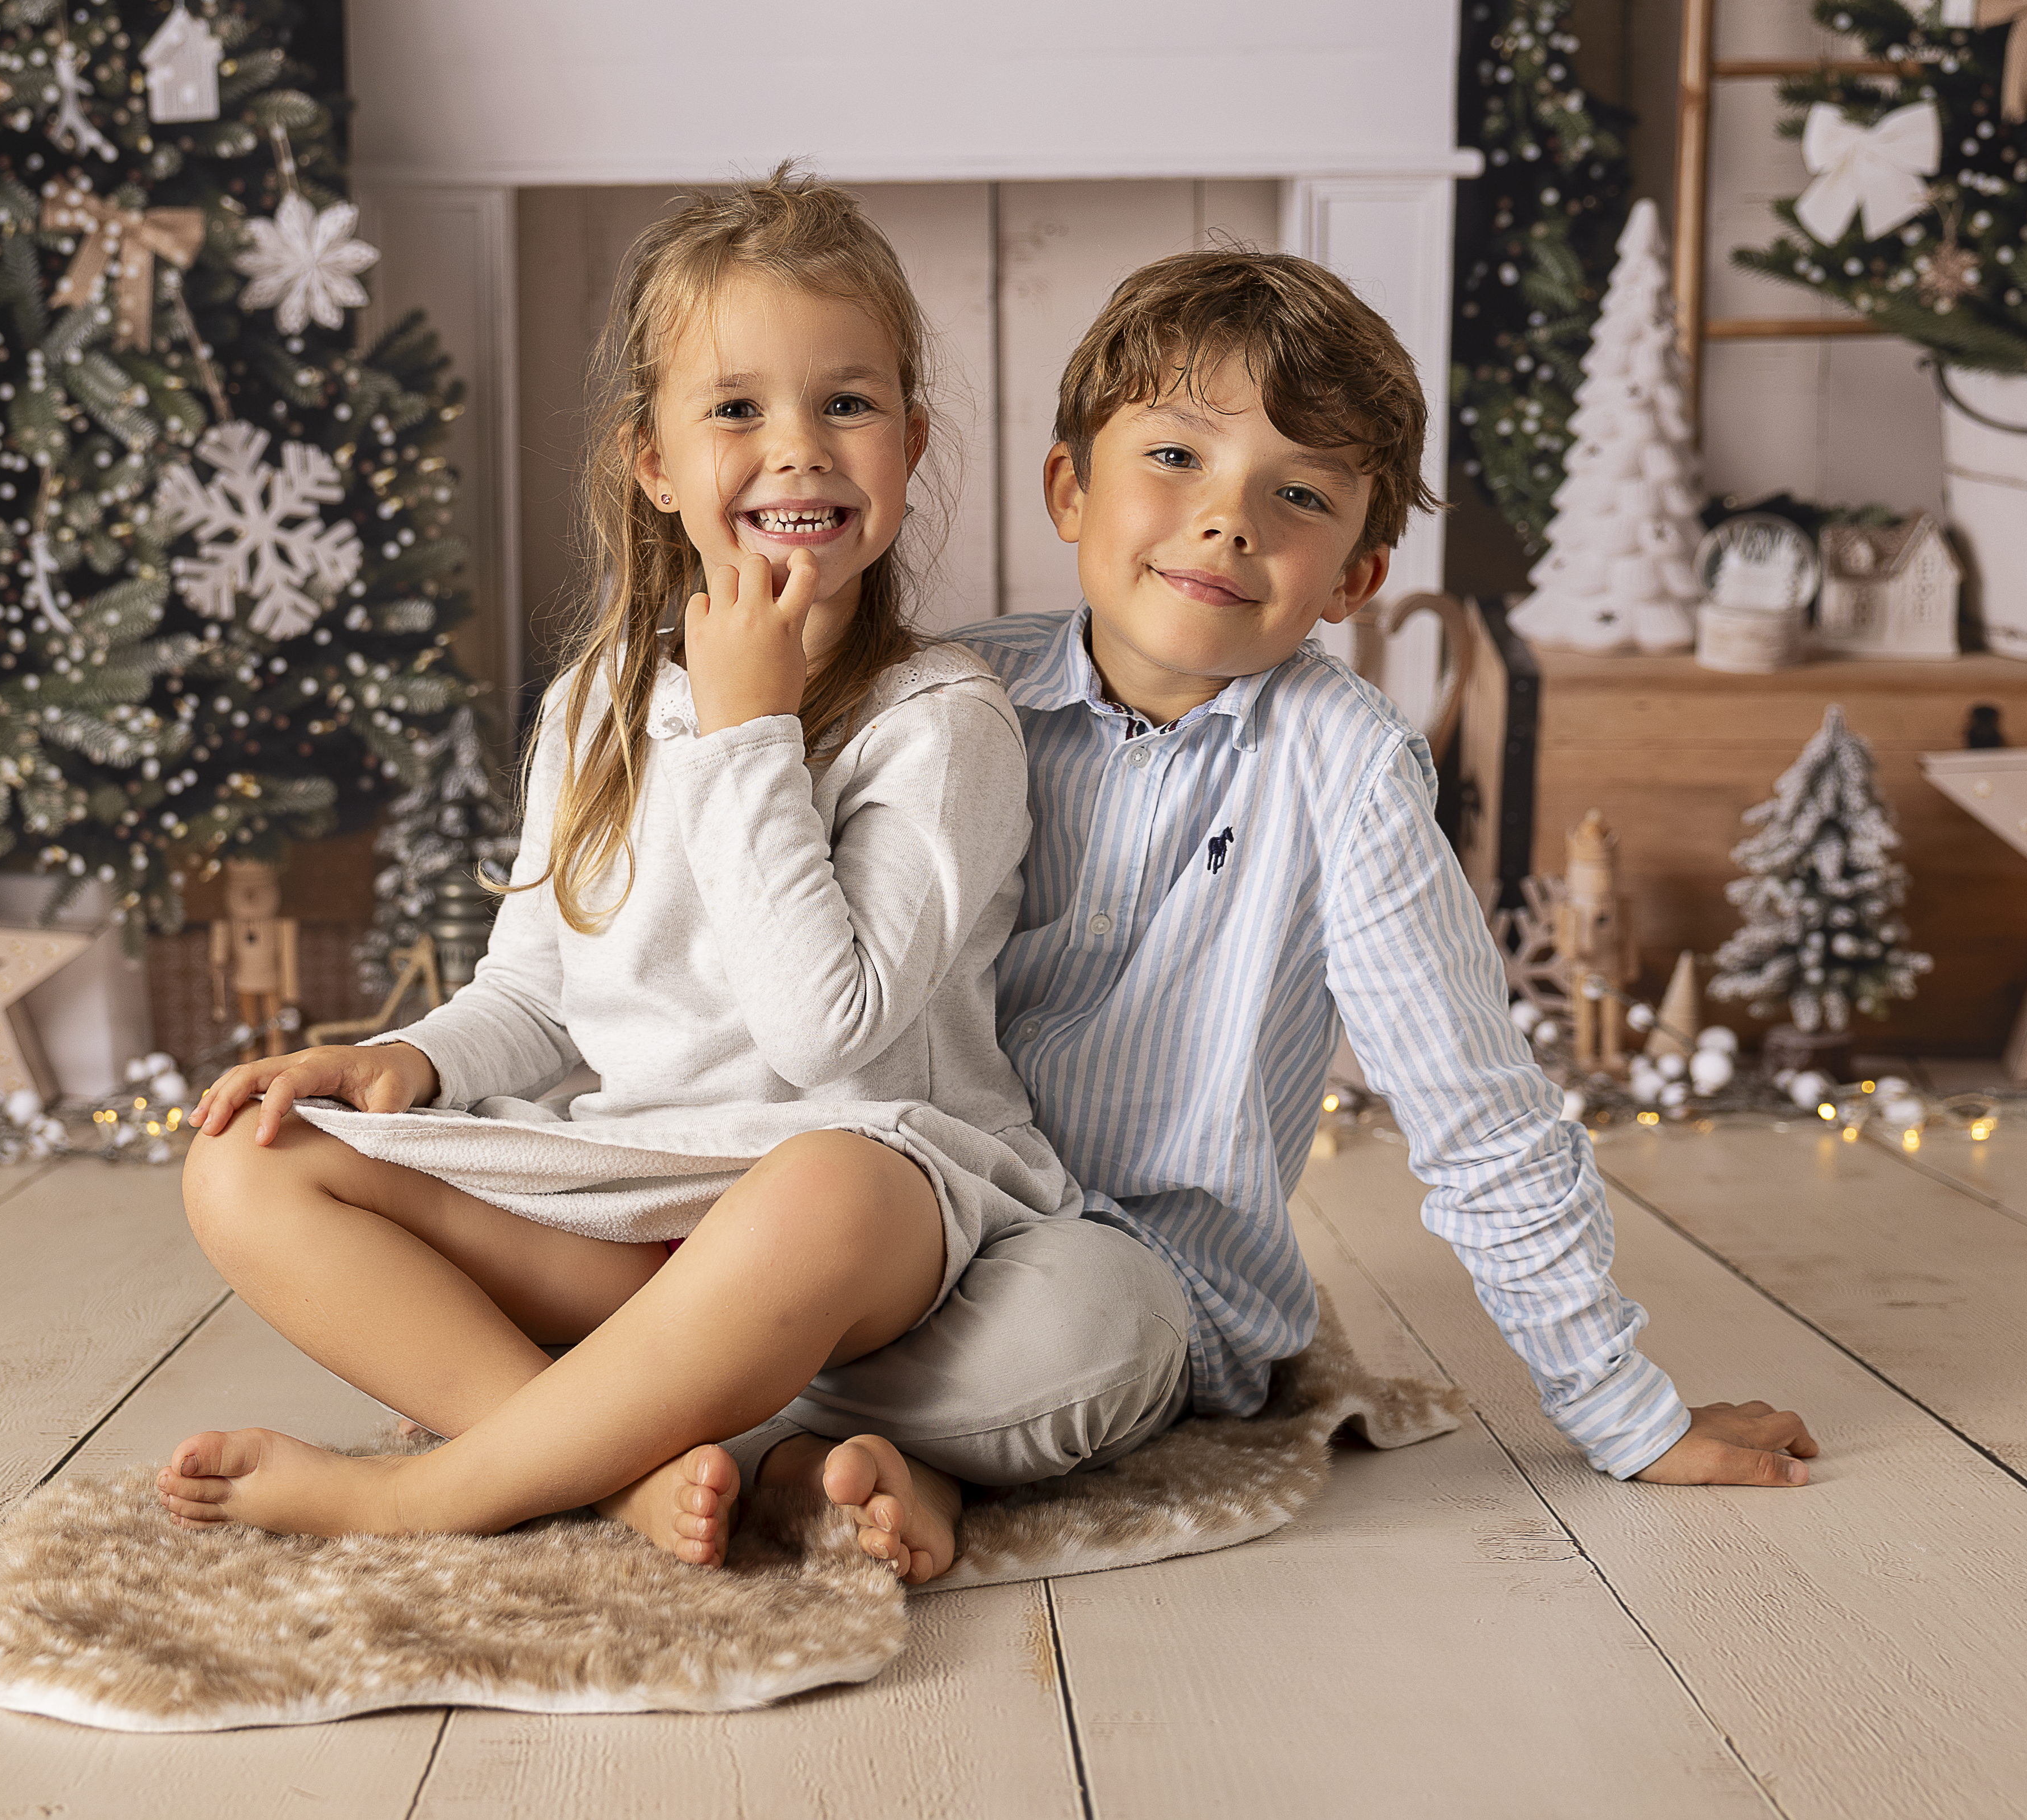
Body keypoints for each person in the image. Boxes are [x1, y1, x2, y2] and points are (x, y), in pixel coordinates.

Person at [713, 247, 1821, 1581]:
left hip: (1134, 1276)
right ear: (1070, 485)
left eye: (1296, 495)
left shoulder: (1346, 772)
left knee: (1087, 1340)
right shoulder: (948, 695)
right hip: (895, 1219)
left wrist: (1622, 1410)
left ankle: (741, 1426)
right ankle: (881, 1451)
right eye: (1175, 459)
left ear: (1353, 575)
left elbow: (1476, 1106)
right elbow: (769, 945)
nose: (1228, 522)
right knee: (719, 1222)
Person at [156, 169, 1087, 1574]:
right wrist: (405, 1059)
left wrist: (749, 727)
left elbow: (826, 1034)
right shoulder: (598, 700)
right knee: (245, 1163)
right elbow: (538, 993)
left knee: (822, 1178)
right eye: (735, 409)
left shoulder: (940, 719)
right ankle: (610, 1471)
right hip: (630, 1202)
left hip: (864, 1215)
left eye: (847, 403)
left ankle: (434, 1491)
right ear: (653, 462)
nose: (798, 450)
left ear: (909, 443)